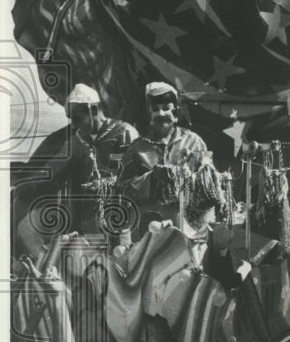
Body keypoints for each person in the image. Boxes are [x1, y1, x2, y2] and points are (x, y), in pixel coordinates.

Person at [13, 84, 138, 252]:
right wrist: (23, 187)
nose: (75, 125)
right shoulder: (76, 143)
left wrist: (106, 184)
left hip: (126, 221)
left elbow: (135, 175)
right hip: (90, 226)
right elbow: (52, 171)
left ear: (93, 110)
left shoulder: (125, 133)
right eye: (72, 119)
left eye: (78, 118)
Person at [118, 82, 209, 234]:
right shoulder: (137, 148)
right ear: (148, 113)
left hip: (188, 228)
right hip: (148, 230)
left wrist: (183, 177)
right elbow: (123, 191)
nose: (161, 114)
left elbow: (208, 185)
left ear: (176, 112)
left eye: (166, 108)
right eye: (155, 109)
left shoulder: (193, 142)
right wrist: (151, 178)